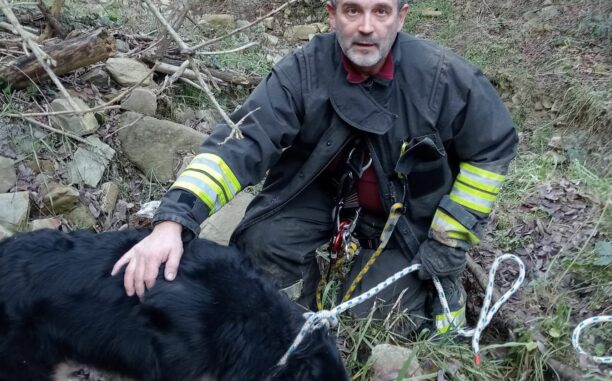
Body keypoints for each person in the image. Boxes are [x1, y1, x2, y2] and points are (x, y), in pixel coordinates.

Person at [112, 0, 518, 335]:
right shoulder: (302, 71)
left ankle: (441, 302)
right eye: (352, 11)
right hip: (319, 190)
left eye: (380, 12)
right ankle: (294, 328)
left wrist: (450, 237)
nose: (366, 27)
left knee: (374, 324)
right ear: (331, 14)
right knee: (264, 244)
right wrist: (173, 220)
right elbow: (240, 144)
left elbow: (493, 148)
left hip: (407, 215)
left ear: (401, 16)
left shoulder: (443, 79)